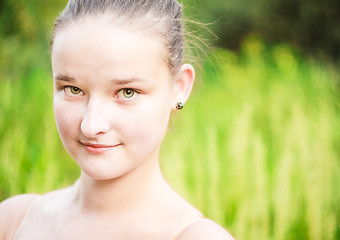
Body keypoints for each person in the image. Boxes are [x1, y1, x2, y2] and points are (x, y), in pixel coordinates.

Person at [0, 0, 234, 239]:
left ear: (179, 87)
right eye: (72, 89)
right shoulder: (13, 220)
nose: (91, 126)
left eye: (127, 92)